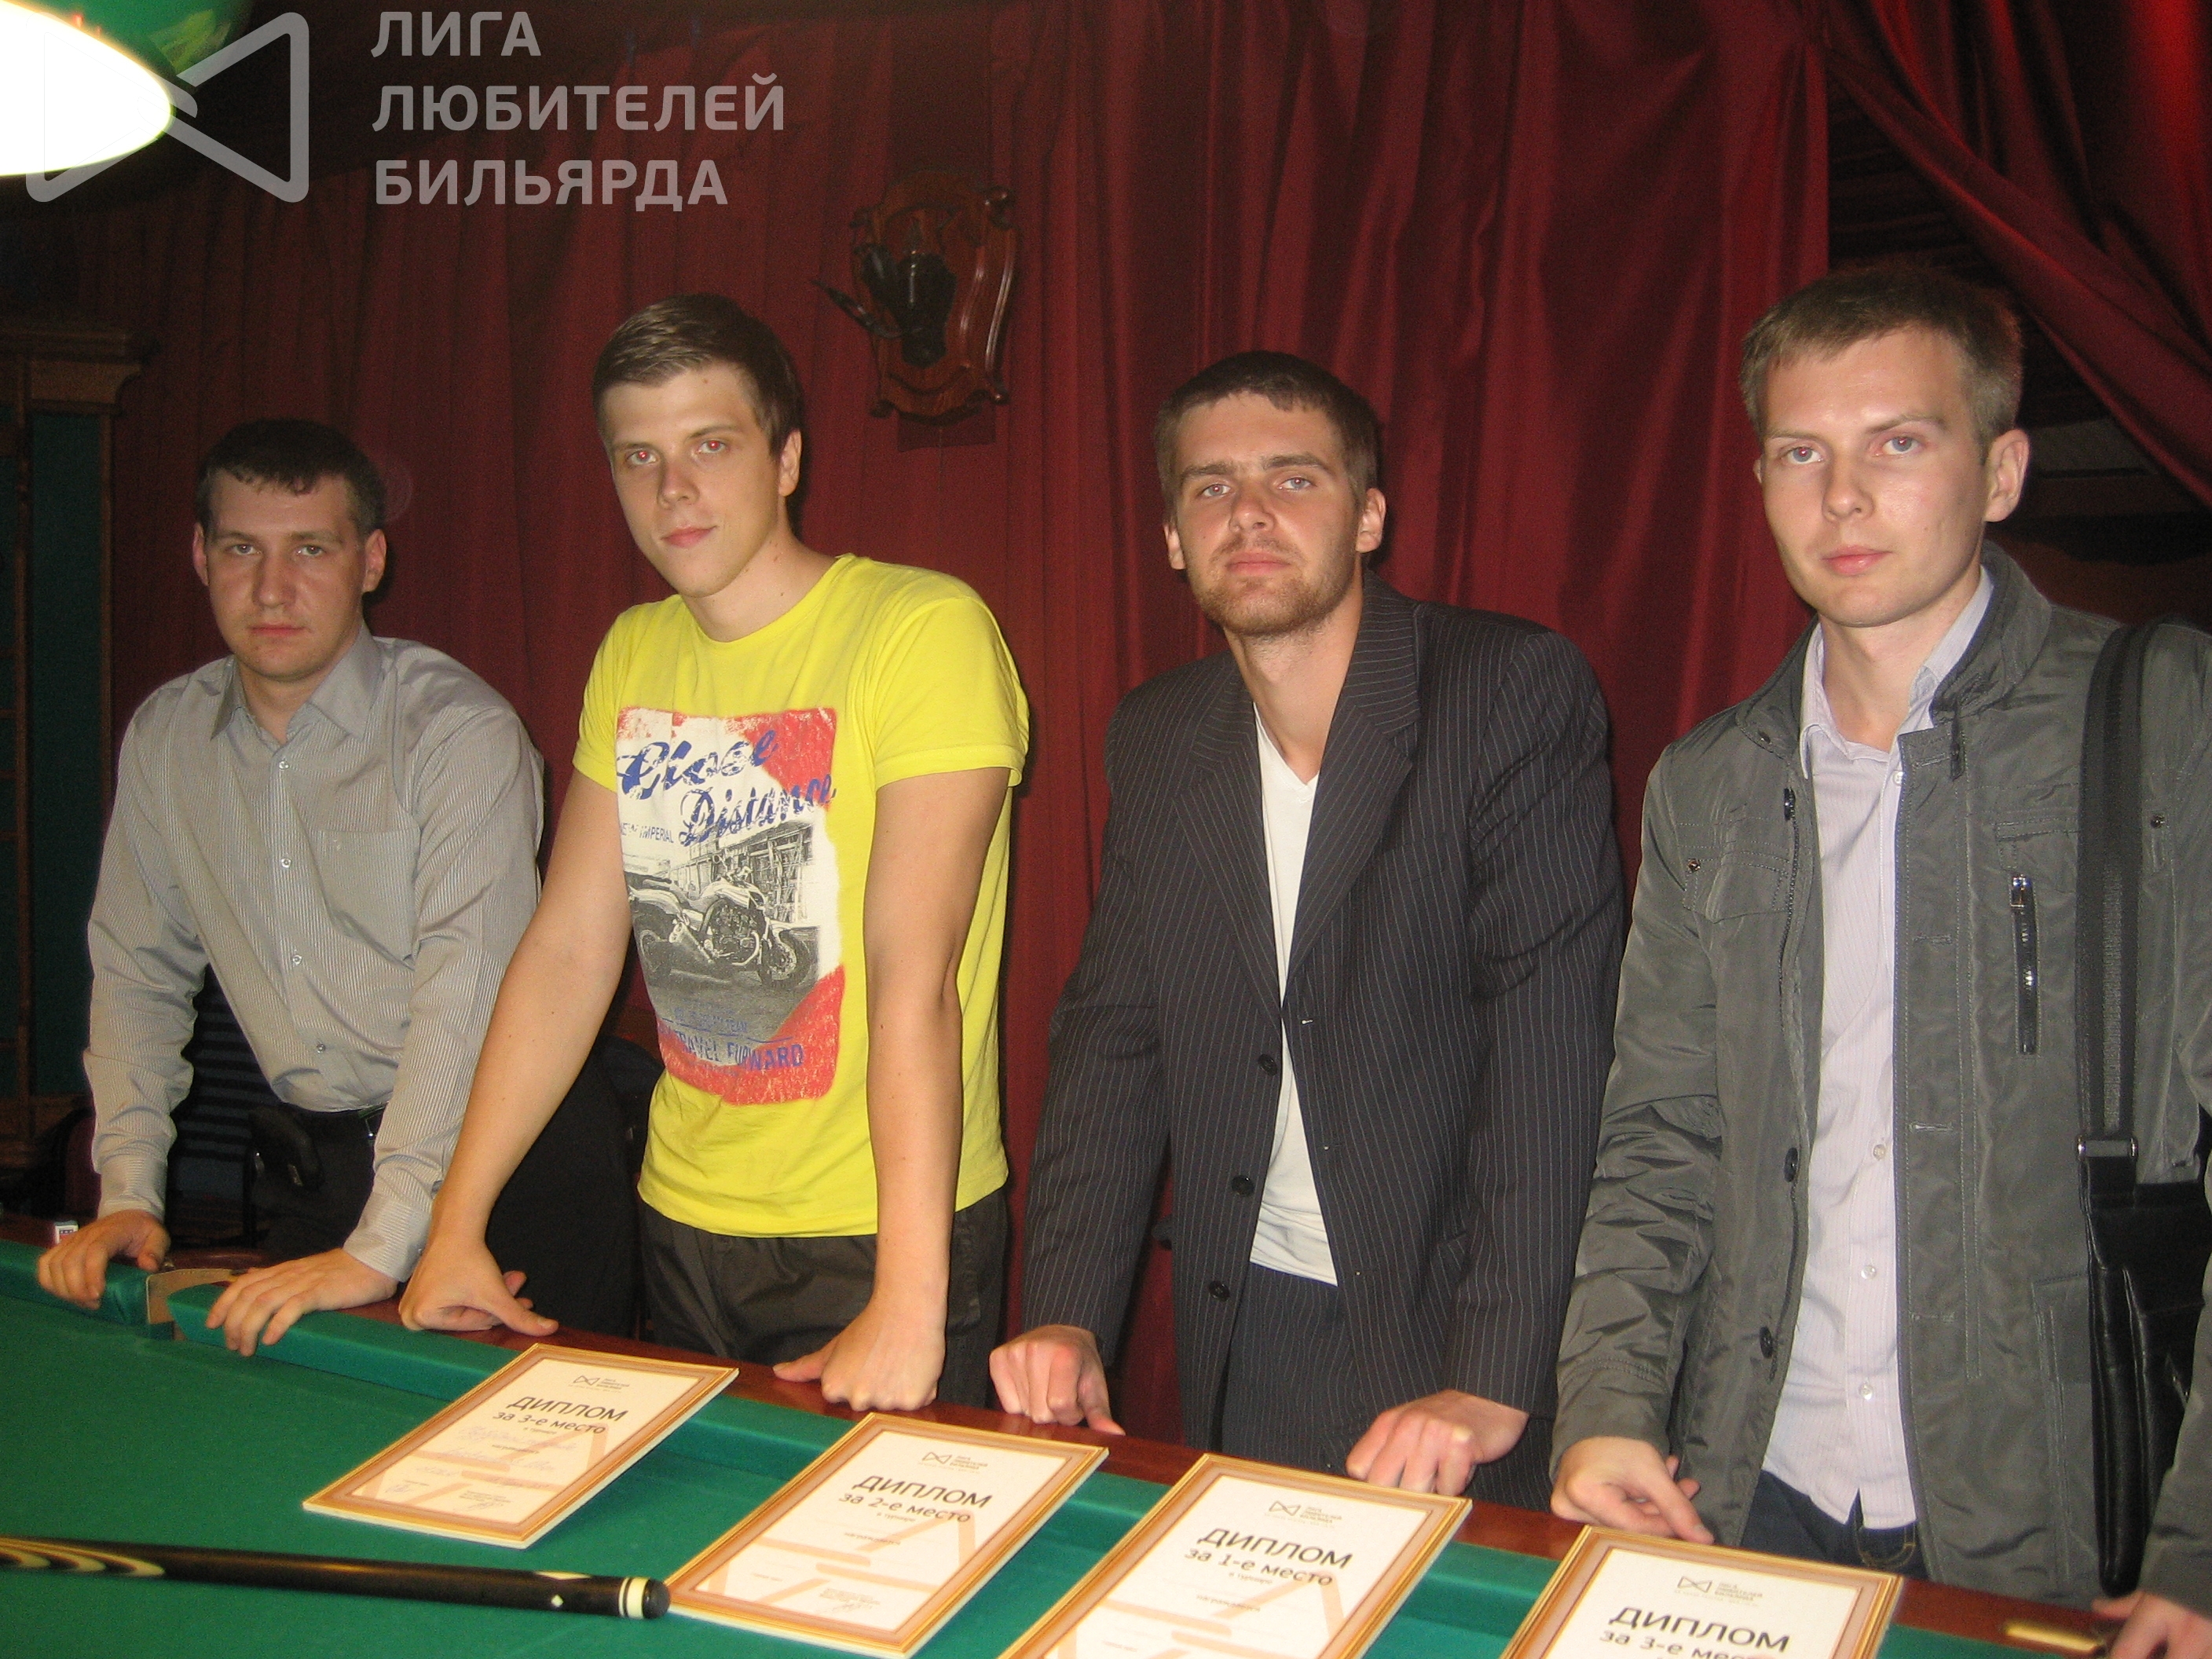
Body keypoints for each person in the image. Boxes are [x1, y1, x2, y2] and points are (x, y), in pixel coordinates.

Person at [1551, 265, 2212, 1646]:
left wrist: (2203, 1547)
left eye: (1898, 442)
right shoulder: (1709, 784)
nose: (1842, 498)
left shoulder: (2168, 723)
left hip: (2054, 1519)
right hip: (1746, 1487)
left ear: (2002, 470)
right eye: (1802, 453)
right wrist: (1608, 1402)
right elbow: (1660, 1135)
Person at [992, 352, 1621, 1503]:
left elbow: (1550, 1049)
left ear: (1368, 516)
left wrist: (1492, 1377)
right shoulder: (1159, 734)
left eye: (1293, 479)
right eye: (1211, 487)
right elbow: (1115, 1036)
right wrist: (1069, 1312)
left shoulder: (1506, 693)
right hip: (1250, 1314)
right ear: (1172, 537)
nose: (1248, 514)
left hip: (1462, 1324)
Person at [399, 295, 1027, 1413]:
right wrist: (457, 1221)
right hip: (683, 1213)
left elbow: (915, 977)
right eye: (637, 456)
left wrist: (910, 1297)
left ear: (787, 459)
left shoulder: (921, 630)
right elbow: (566, 952)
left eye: (711, 445)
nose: (672, 489)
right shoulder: (633, 650)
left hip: (878, 1227)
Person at [36, 419, 636, 1353]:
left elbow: (464, 998)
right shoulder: (164, 740)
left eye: (311, 549)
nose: (272, 588)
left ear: (370, 561)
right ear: (200, 556)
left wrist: (384, 1246)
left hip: (511, 1173)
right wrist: (128, 1191)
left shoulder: (456, 732)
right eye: (242, 549)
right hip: (318, 1175)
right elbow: (136, 974)